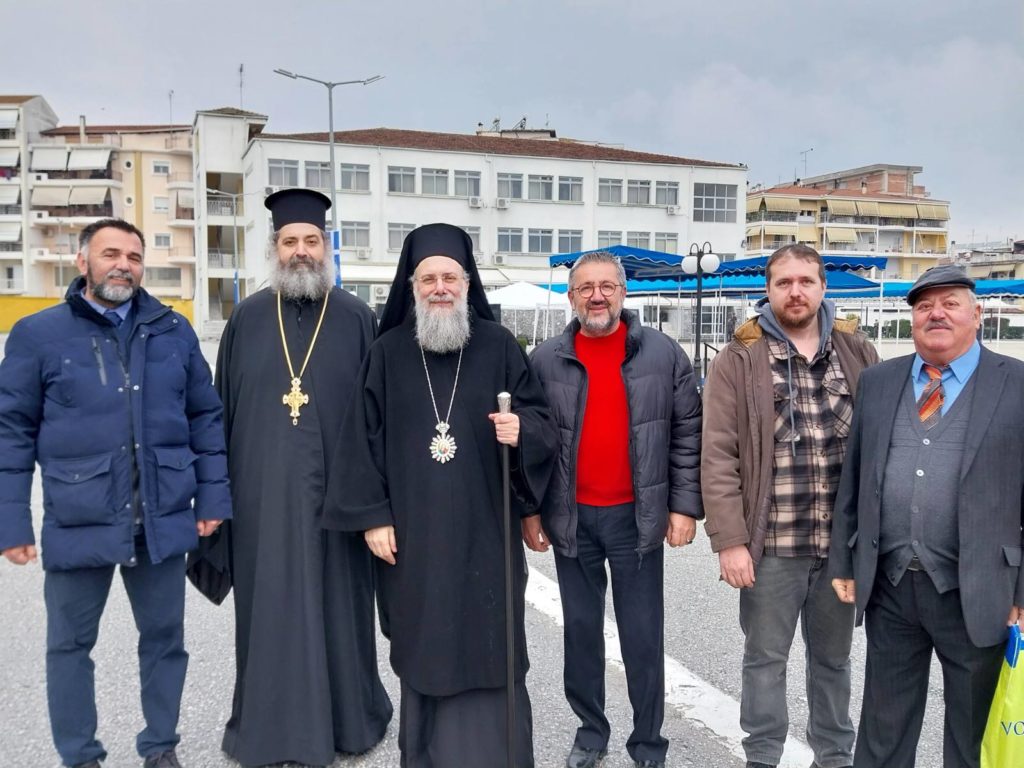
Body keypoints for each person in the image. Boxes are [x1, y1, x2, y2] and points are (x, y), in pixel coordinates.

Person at [0, 219, 231, 768]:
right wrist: (11, 523)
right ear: (82, 262)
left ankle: (160, 747)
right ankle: (80, 756)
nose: (123, 264)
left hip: (162, 517)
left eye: (133, 254)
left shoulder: (173, 330)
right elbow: (11, 432)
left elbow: (206, 417)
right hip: (79, 517)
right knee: (69, 647)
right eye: (110, 253)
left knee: (164, 640)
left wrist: (214, 500)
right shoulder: (38, 335)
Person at [323, 222, 556, 768]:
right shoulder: (385, 354)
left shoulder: (499, 346)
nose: (440, 287)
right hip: (414, 536)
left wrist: (522, 430)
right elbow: (361, 441)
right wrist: (373, 516)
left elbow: (543, 420)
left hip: (486, 533)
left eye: (450, 276)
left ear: (468, 283)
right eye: (427, 278)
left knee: (491, 642)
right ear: (411, 287)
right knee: (425, 642)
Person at [206, 188, 392, 766]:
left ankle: (349, 721)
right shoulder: (246, 317)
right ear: (275, 249)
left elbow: (379, 418)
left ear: (326, 247)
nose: (302, 252)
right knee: (270, 610)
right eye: (291, 242)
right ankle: (267, 727)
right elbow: (221, 412)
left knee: (341, 609)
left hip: (341, 501)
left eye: (312, 241)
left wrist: (380, 503)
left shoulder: (359, 317)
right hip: (262, 501)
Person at [829, 265, 1024, 768]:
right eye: (923, 305)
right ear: (912, 318)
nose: (936, 313)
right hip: (892, 587)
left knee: (971, 733)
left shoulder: (1018, 383)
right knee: (883, 731)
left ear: (977, 314)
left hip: (979, 589)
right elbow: (854, 478)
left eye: (950, 303)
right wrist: (843, 561)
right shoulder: (879, 381)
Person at [701, 244, 879, 768]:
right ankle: (762, 756)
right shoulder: (739, 358)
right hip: (772, 544)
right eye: (784, 282)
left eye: (806, 281)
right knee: (765, 661)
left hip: (838, 545)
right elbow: (718, 454)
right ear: (769, 289)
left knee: (834, 662)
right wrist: (730, 541)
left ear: (823, 286)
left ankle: (834, 756)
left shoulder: (857, 350)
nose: (795, 291)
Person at [528, 250, 703, 768]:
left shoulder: (663, 354)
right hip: (573, 517)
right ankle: (590, 732)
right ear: (571, 296)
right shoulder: (545, 359)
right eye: (586, 288)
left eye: (607, 286)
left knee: (642, 636)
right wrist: (530, 512)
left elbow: (687, 433)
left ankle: (647, 741)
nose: (597, 295)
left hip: (637, 518)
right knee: (581, 632)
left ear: (623, 293)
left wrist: (684, 507)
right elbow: (533, 447)